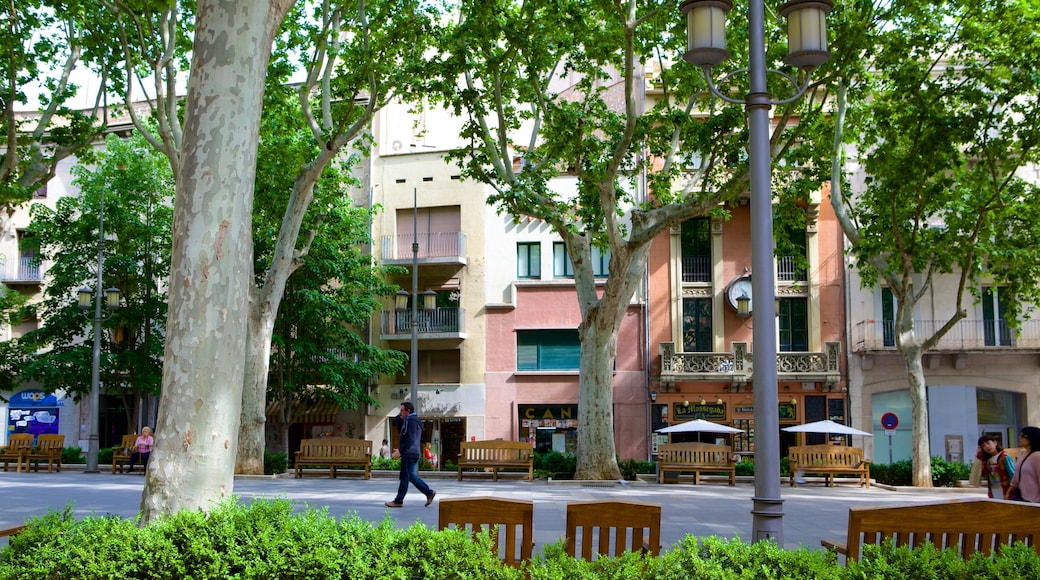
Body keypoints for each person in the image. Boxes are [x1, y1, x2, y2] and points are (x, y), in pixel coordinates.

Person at [385, 402, 436, 508]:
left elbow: (411, 439)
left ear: (408, 411)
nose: (400, 413)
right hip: (411, 453)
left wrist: (401, 451)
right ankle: (429, 492)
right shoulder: (410, 420)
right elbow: (402, 432)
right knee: (410, 476)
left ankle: (398, 501)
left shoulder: (411, 421)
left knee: (404, 477)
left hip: (409, 453)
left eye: (402, 410)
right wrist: (399, 417)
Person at [976, 435, 1015, 499]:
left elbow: (1013, 475)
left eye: (988, 443)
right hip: (994, 494)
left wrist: (1010, 492)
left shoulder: (1005, 457)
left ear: (995, 443)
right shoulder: (987, 461)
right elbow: (981, 474)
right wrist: (979, 455)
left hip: (1007, 493)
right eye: (983, 446)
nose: (987, 446)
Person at [1008, 426, 1040, 502]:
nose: (1020, 438)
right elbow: (1016, 476)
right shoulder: (1022, 453)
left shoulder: (1037, 456)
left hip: (1034, 500)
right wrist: (1009, 492)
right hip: (1021, 497)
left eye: (1023, 436)